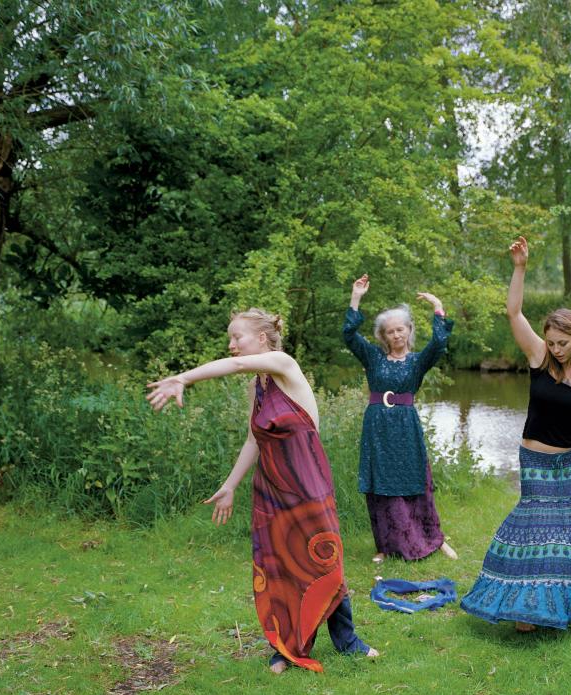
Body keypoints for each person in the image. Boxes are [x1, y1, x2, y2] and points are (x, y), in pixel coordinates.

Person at [146, 308, 378, 674]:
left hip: (307, 481)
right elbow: (254, 439)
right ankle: (288, 647)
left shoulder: (283, 364)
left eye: (237, 337)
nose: (232, 344)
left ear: (263, 338)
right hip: (271, 487)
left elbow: (235, 366)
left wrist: (183, 379)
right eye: (230, 339)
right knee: (280, 564)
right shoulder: (260, 386)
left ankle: (347, 640)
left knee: (325, 559)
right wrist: (229, 485)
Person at [460, 236, 571, 631]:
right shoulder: (540, 357)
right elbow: (513, 313)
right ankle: (523, 606)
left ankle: (555, 607)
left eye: (563, 343)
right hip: (537, 461)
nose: (556, 349)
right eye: (552, 341)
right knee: (534, 532)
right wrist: (520, 267)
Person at [343, 275, 459, 563]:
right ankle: (384, 546)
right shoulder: (373, 357)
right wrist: (356, 297)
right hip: (377, 425)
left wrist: (438, 308)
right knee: (380, 483)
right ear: (383, 336)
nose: (396, 335)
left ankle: (433, 538)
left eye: (401, 329)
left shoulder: (418, 360)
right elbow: (348, 335)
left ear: (409, 331)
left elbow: (440, 343)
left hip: (405, 425)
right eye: (390, 331)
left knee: (415, 479)